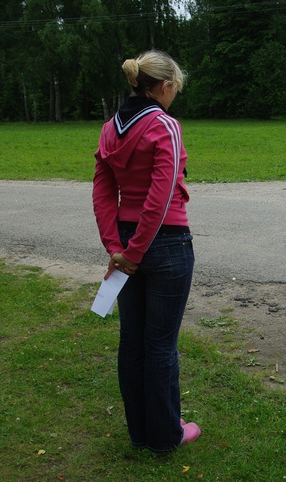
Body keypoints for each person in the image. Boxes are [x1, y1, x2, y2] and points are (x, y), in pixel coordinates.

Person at [92, 50, 201, 453]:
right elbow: (162, 194)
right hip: (165, 242)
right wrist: (134, 252)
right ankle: (166, 436)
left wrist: (116, 247)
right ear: (165, 86)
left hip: (126, 242)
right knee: (160, 346)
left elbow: (103, 190)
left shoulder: (109, 129)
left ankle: (140, 433)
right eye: (176, 88)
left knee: (132, 342)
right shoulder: (165, 125)